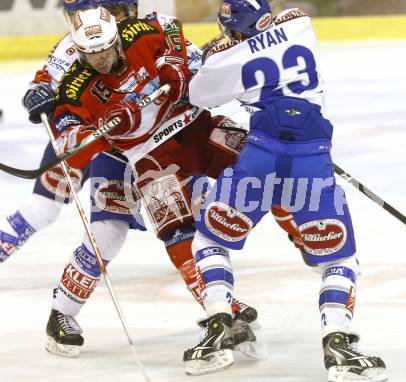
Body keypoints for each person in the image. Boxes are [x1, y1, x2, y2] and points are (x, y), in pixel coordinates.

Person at [182, 1, 387, 381]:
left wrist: (217, 54)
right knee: (339, 260)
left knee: (209, 242)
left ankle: (217, 326)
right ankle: (338, 341)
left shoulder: (226, 59)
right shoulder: (299, 23)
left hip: (259, 157)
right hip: (312, 157)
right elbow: (278, 28)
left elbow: (196, 95)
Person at [43, 3, 263, 358]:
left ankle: (306, 244)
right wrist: (99, 129)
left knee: (261, 162)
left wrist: (174, 61)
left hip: (190, 127)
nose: (100, 61)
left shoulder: (136, 31)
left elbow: (171, 31)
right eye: (90, 55)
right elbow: (70, 140)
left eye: (105, 52)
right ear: (78, 49)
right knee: (117, 233)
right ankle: (63, 312)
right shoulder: (73, 81)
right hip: (138, 156)